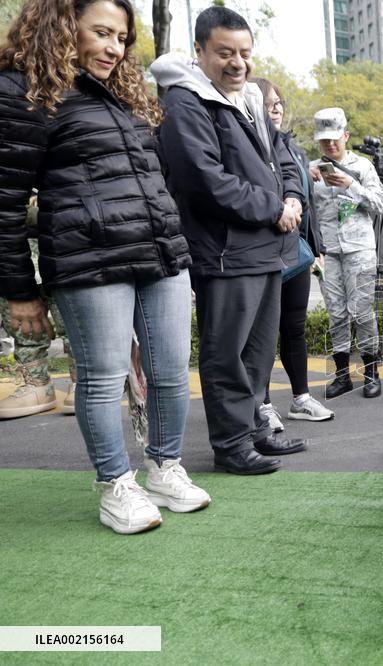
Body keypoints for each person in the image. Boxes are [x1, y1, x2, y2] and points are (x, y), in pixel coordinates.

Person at [0, 0, 210, 532]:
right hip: (88, 258)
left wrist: (176, 245)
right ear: (63, 26)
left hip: (159, 252)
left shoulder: (122, 92)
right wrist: (20, 291)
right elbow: (4, 201)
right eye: (102, 33)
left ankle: (164, 468)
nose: (115, 48)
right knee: (102, 378)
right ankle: (116, 484)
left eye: (122, 38)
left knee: (170, 372)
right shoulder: (22, 89)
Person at [152, 6, 307, 476]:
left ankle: (254, 427)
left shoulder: (251, 97)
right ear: (199, 51)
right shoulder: (186, 102)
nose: (237, 62)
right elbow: (204, 180)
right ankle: (231, 442)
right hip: (225, 250)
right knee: (227, 352)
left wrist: (294, 195)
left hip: (267, 248)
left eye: (244, 52)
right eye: (224, 53)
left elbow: (282, 155)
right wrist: (274, 208)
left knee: (258, 350)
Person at [250, 77, 333, 427]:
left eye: (279, 103)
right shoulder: (247, 142)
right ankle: (263, 404)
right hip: (263, 251)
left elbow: (306, 202)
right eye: (268, 104)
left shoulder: (292, 148)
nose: (276, 110)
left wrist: (316, 247)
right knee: (264, 333)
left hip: (296, 250)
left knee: (294, 328)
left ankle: (301, 398)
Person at [309, 107, 383, 400]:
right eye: (324, 140)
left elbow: (380, 203)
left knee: (362, 312)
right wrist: (304, 179)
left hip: (360, 249)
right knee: (337, 313)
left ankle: (371, 373)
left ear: (346, 135)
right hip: (327, 251)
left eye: (335, 138)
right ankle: (342, 375)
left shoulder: (363, 167)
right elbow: (305, 211)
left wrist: (352, 185)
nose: (330, 144)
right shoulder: (311, 169)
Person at [0, 199, 77, 418]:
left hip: (67, 248)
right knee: (23, 325)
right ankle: (37, 385)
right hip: (14, 250)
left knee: (74, 323)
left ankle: (84, 380)